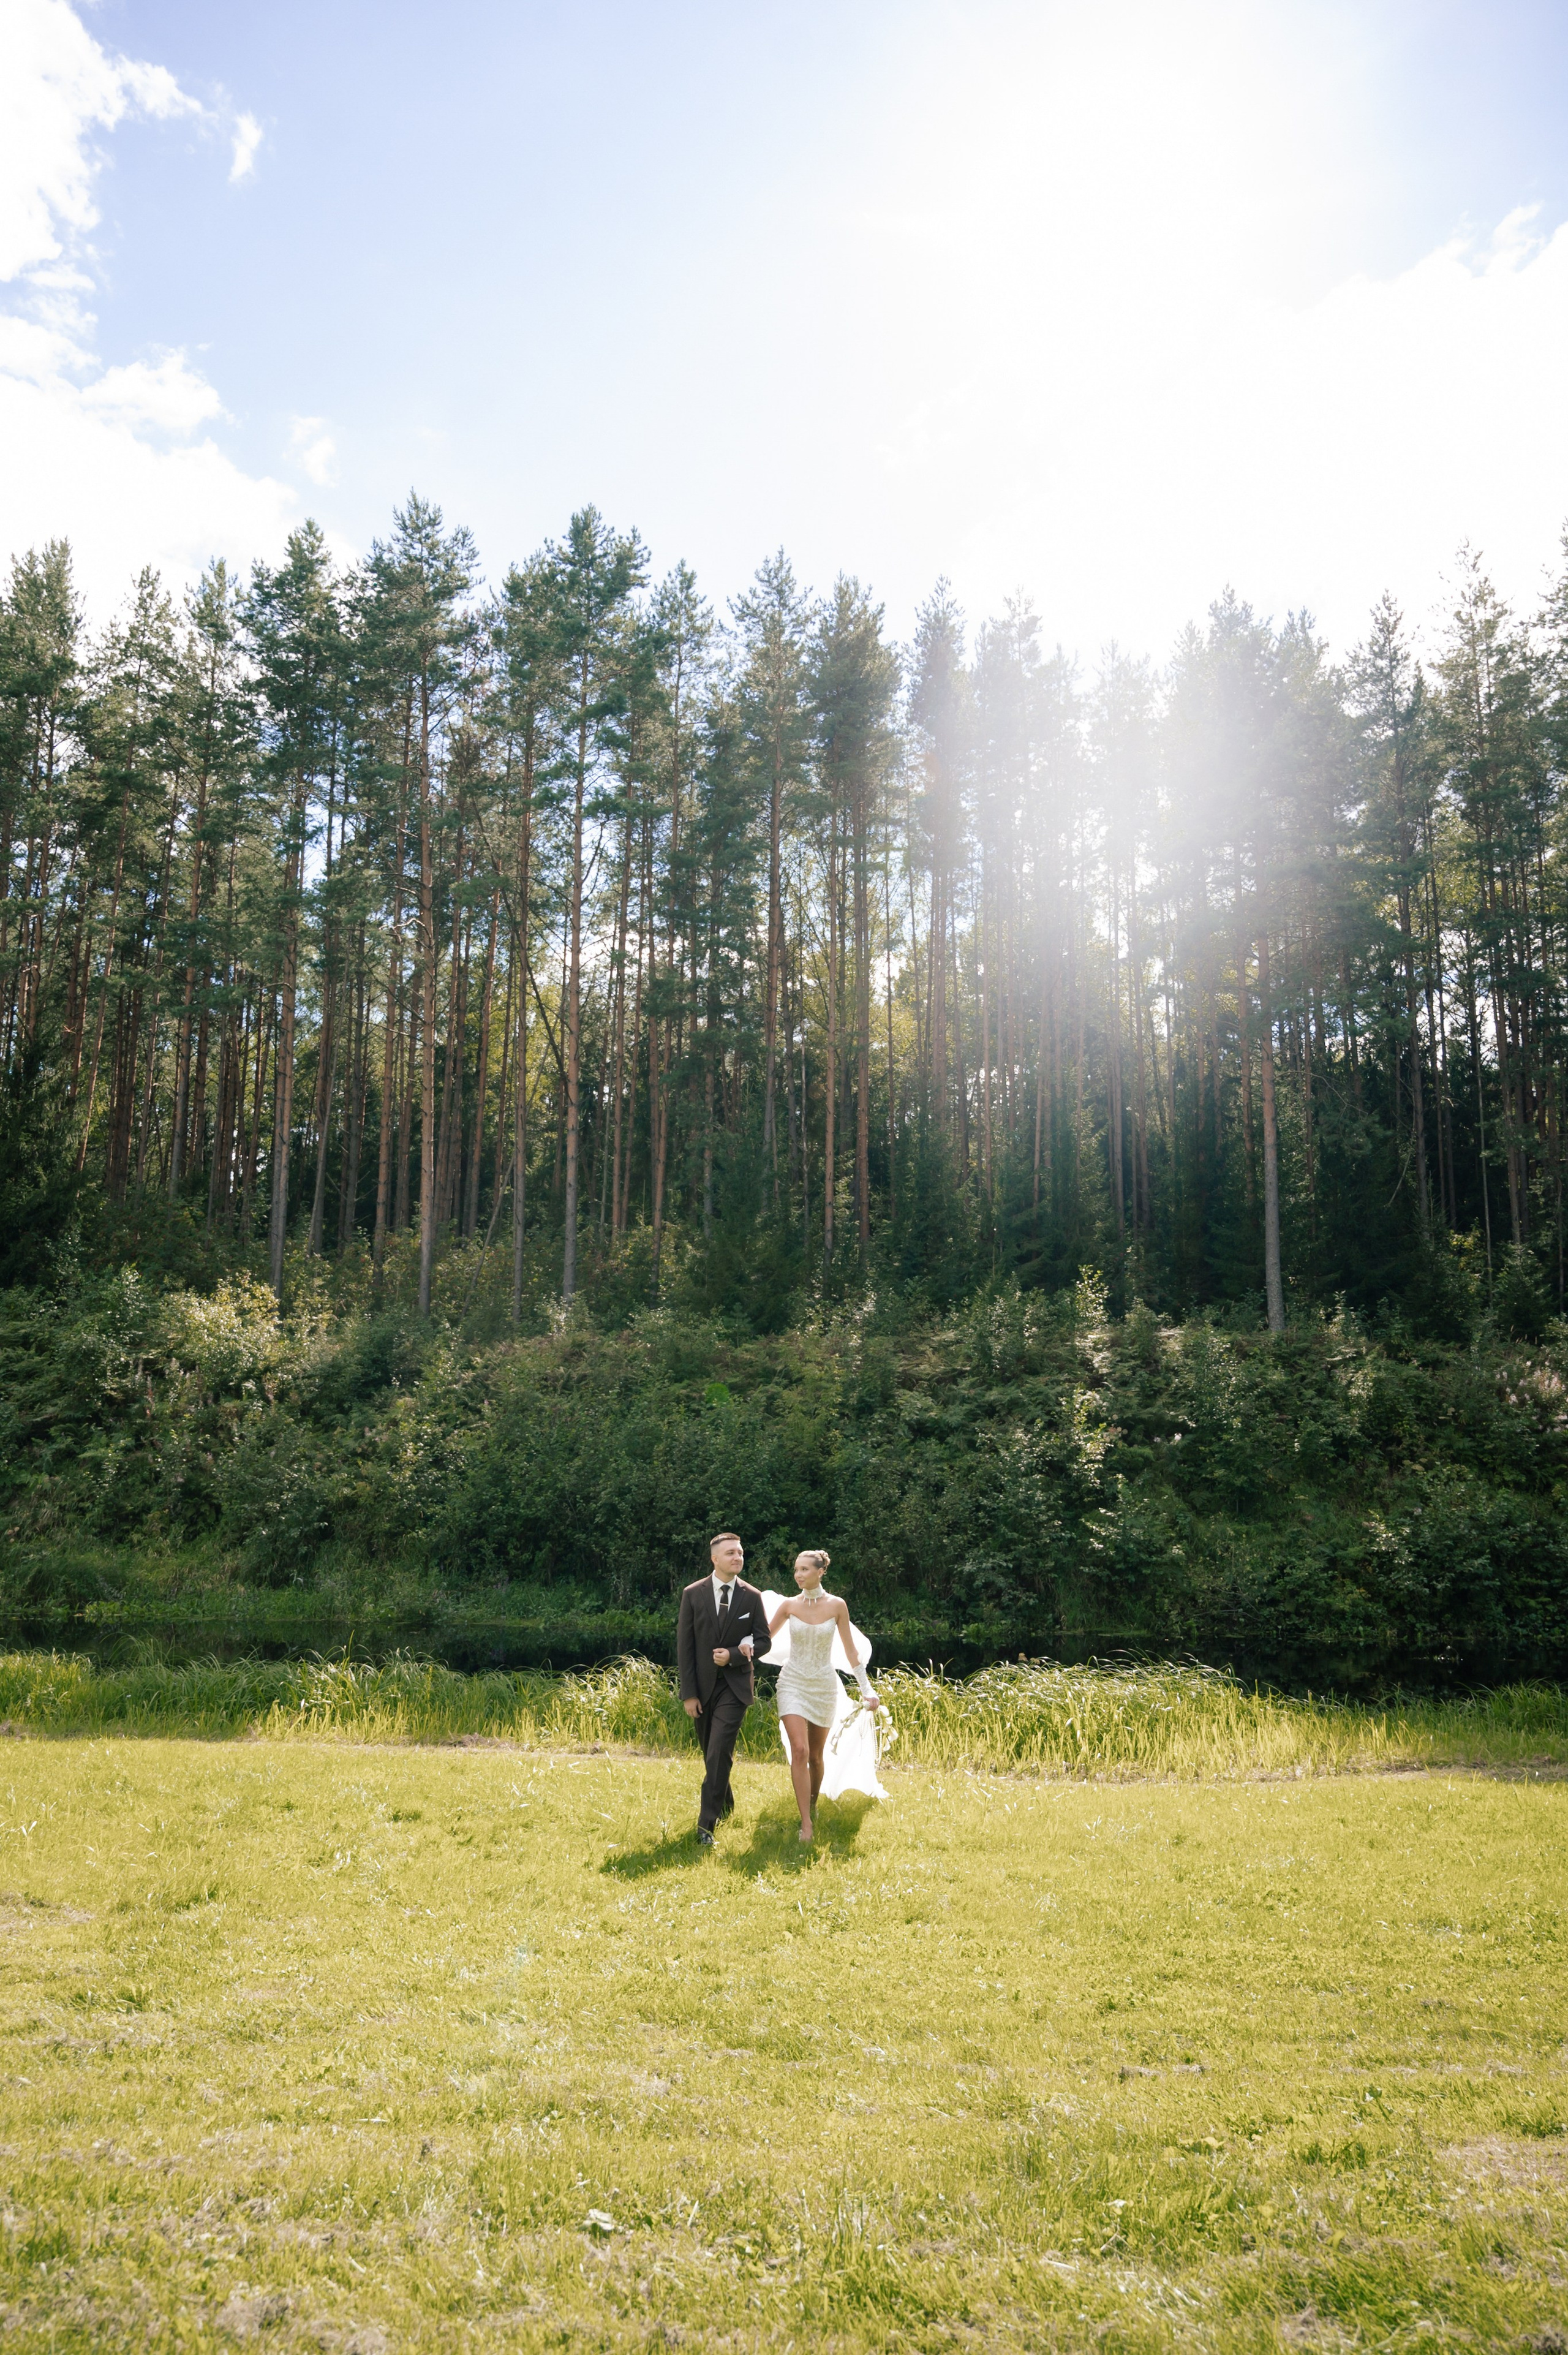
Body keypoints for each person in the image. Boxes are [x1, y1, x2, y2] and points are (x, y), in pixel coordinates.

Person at [764, 1549, 882, 1843]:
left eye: (804, 1569)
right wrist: (741, 1644)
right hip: (792, 1682)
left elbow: (851, 1651)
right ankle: (806, 1823)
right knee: (800, 1751)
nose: (799, 1575)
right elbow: (763, 1638)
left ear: (821, 1572)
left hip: (823, 1686)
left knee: (816, 1757)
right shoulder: (789, 1606)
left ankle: (813, 1803)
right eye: (796, 1569)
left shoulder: (837, 1606)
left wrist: (867, 1689)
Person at [676, 1532, 768, 1845]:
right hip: (701, 1689)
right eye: (730, 1553)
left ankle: (706, 1827)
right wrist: (689, 1694)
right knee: (711, 1753)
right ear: (715, 1559)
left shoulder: (752, 1596)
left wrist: (733, 1654)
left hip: (735, 1687)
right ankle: (726, 1804)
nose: (737, 1557)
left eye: (740, 1552)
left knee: (718, 1751)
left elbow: (764, 1641)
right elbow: (685, 1646)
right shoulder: (693, 1594)